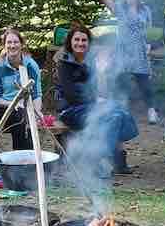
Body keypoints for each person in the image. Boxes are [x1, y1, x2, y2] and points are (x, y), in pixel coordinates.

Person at [54, 22, 138, 176]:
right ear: (70, 42)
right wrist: (96, 102)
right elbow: (71, 95)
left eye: (84, 40)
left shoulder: (92, 61)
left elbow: (102, 92)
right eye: (77, 40)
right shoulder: (64, 63)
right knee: (114, 116)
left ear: (88, 43)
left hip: (90, 107)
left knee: (120, 112)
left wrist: (100, 72)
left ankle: (103, 158)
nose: (80, 43)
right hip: (70, 110)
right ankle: (99, 159)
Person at [92, 0, 157, 124]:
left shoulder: (146, 10)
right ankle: (121, 110)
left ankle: (151, 111)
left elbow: (149, 30)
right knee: (122, 82)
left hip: (140, 51)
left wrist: (149, 44)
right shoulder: (120, 8)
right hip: (124, 51)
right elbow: (105, 0)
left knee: (144, 82)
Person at [0, 28, 43, 150]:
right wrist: (14, 104)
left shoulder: (30, 65)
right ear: (4, 45)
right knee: (21, 119)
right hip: (4, 109)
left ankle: (28, 160)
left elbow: (37, 94)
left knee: (26, 119)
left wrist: (37, 112)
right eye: (9, 42)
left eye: (16, 42)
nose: (12, 46)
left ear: (21, 44)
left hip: (27, 109)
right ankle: (23, 160)